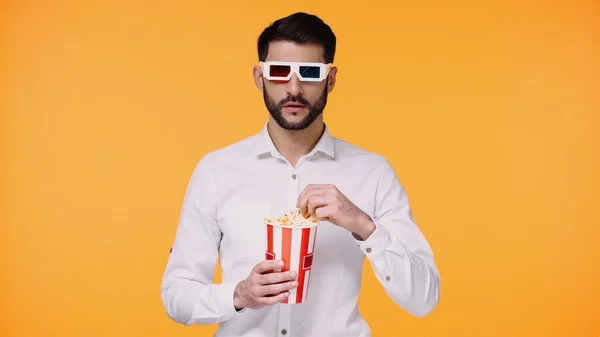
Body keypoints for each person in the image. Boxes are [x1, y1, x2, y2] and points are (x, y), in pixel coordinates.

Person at [160, 11, 440, 337]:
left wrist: (364, 226)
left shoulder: (372, 172)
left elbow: (424, 299)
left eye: (309, 72)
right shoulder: (216, 171)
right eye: (279, 72)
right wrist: (238, 295)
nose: (294, 88)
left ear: (330, 79)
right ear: (258, 76)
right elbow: (176, 294)